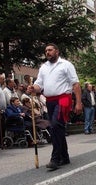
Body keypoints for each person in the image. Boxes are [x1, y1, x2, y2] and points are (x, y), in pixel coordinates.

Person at [31, 43, 82, 171]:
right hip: (50, 100)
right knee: (57, 128)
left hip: (64, 98)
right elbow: (39, 85)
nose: (47, 52)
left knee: (55, 125)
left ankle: (55, 158)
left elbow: (75, 84)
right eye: (46, 50)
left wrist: (79, 102)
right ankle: (65, 156)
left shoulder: (66, 65)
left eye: (50, 50)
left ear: (57, 51)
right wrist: (33, 88)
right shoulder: (43, 67)